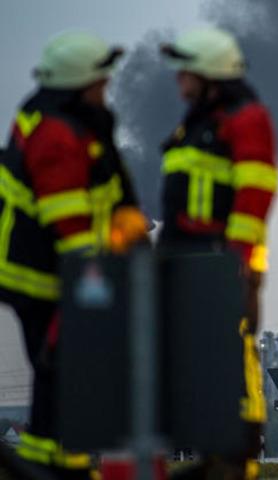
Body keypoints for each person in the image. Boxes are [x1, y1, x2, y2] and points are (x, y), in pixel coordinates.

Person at [0, 31, 145, 479]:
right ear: (78, 83)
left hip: (64, 271)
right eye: (100, 80)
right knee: (62, 370)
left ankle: (57, 466)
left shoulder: (75, 121)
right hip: (44, 278)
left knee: (61, 378)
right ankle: (59, 468)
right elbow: (72, 233)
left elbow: (109, 193)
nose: (106, 88)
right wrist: (90, 296)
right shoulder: (56, 137)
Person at [159, 26, 278, 480]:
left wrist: (238, 260)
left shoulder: (245, 118)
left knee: (232, 352)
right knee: (194, 361)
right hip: (187, 263)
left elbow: (255, 192)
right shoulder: (195, 123)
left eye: (185, 69)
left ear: (208, 73)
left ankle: (240, 445)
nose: (178, 78)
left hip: (221, 261)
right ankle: (214, 451)